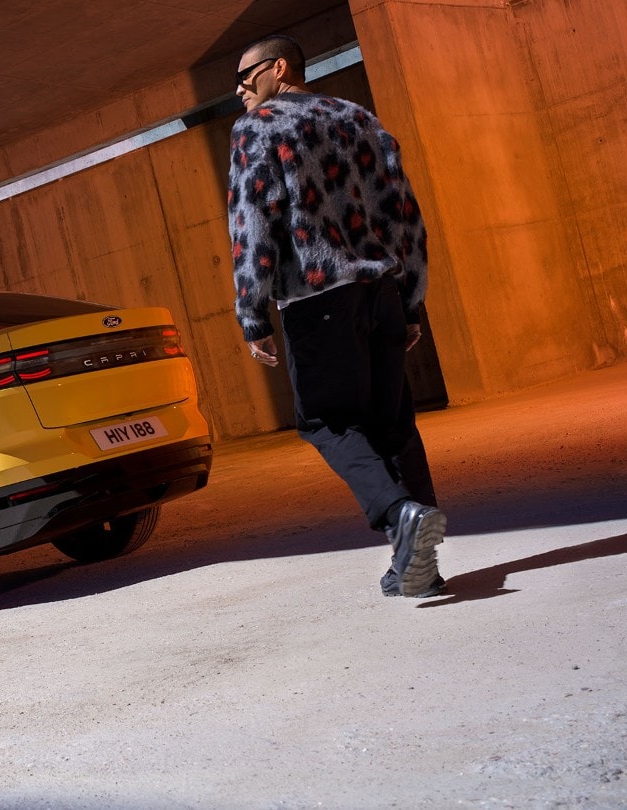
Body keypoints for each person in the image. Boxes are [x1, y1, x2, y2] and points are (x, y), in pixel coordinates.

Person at [226, 35, 447, 597]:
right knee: (393, 426)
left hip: (317, 297)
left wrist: (252, 313)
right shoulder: (359, 119)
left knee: (326, 423)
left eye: (247, 78)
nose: (239, 91)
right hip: (381, 291)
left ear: (279, 69)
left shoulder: (261, 127)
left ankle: (399, 517)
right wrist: (411, 298)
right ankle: (419, 563)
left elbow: (252, 222)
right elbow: (406, 214)